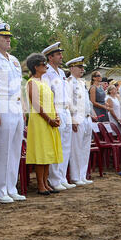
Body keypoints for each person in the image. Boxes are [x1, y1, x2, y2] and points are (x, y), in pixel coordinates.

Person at [0, 23, 25, 203]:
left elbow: (19, 86)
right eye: (4, 37)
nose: (8, 39)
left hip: (16, 106)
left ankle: (11, 187)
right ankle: (0, 190)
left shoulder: (14, 59)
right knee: (3, 149)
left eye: (9, 37)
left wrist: (23, 109)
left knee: (15, 149)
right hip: (2, 104)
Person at [25, 53, 63, 195]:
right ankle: (40, 184)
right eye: (43, 64)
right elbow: (35, 104)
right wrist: (48, 119)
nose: (46, 66)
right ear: (35, 67)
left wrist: (56, 116)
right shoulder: (31, 82)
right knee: (41, 152)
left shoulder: (43, 82)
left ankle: (46, 183)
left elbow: (51, 102)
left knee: (47, 152)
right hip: (40, 121)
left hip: (50, 119)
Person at [41, 42, 75, 191]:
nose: (61, 56)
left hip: (65, 110)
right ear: (50, 57)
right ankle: (54, 179)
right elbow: (48, 94)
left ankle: (62, 177)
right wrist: (53, 114)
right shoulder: (47, 72)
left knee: (66, 146)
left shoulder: (61, 73)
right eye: (58, 54)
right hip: (56, 110)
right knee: (57, 146)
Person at [66, 56, 94, 186]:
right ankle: (76, 176)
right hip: (77, 117)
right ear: (72, 68)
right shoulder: (69, 83)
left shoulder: (82, 82)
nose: (82, 69)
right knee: (76, 149)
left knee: (85, 148)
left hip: (87, 117)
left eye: (83, 67)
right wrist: (72, 119)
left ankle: (83, 175)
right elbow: (68, 102)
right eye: (79, 67)